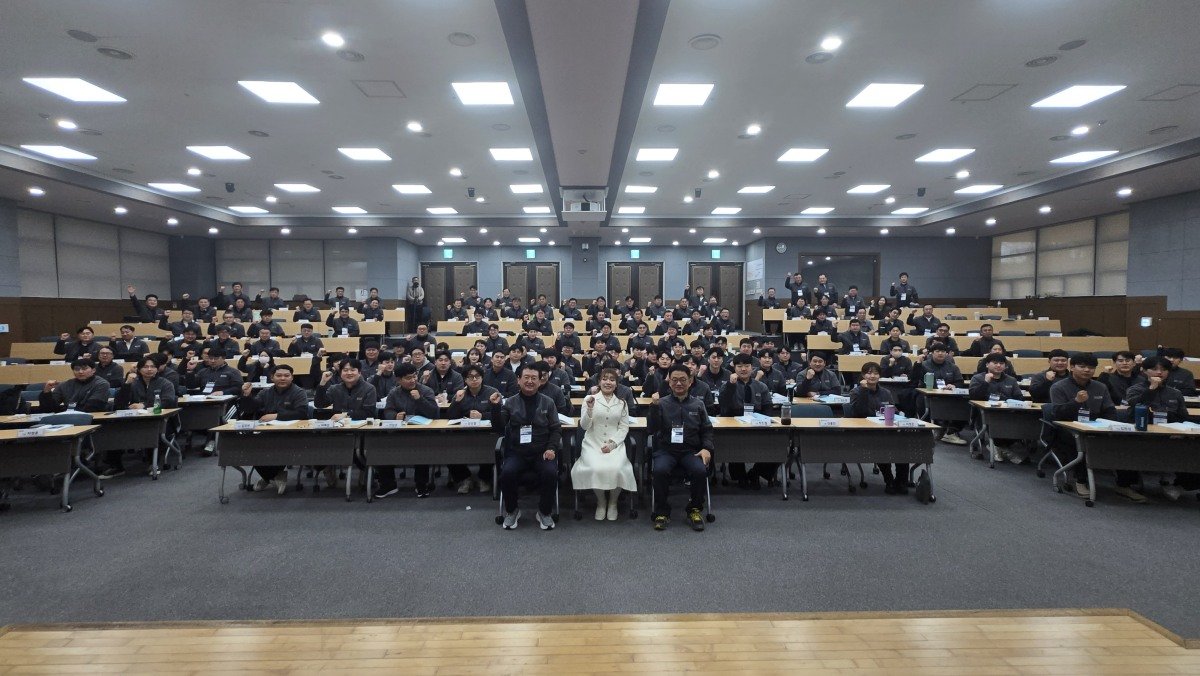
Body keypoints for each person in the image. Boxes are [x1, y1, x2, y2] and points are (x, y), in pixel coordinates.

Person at [492, 364, 562, 530]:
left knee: (550, 472)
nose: (530, 381)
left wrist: (552, 448)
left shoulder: (548, 402)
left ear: (540, 381)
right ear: (518, 380)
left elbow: (556, 429)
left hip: (542, 451)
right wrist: (495, 408)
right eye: (526, 378)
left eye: (534, 378)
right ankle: (512, 511)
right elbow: (499, 428)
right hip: (517, 452)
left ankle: (544, 512)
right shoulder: (510, 402)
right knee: (507, 472)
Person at [649, 364, 713, 531]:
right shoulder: (661, 403)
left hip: (690, 451)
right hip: (666, 450)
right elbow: (652, 429)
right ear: (669, 382)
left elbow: (707, 429)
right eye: (674, 380)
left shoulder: (698, 404)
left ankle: (694, 509)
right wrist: (654, 408)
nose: (678, 383)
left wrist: (706, 448)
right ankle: (662, 510)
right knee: (659, 471)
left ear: (690, 381)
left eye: (683, 380)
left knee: (700, 470)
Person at [1047, 352, 1118, 499]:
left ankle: (1125, 483)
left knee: (1123, 440)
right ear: (1072, 367)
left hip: (1095, 427)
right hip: (1067, 427)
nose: (1087, 370)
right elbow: (1058, 413)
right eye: (1082, 366)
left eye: (1091, 367)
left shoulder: (1100, 387)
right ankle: (1080, 480)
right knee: (1078, 441)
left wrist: (1108, 426)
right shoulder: (1058, 387)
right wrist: (1076, 402)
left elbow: (1109, 410)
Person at [570, 368, 636, 520]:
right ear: (599, 382)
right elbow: (585, 426)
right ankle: (601, 501)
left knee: (618, 467)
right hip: (593, 443)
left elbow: (624, 427)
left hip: (615, 444)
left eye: (612, 379)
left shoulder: (622, 403)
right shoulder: (589, 399)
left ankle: (613, 502)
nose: (608, 382)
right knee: (596, 467)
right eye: (605, 379)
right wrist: (590, 410)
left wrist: (613, 444)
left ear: (616, 384)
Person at [234, 363, 312, 490]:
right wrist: (247, 396)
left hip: (292, 433)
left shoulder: (299, 392)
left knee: (277, 446)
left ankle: (268, 477)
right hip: (267, 431)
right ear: (272, 377)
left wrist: (277, 416)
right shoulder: (266, 392)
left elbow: (302, 413)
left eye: (286, 376)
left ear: (292, 377)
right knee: (251, 446)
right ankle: (273, 476)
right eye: (279, 375)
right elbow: (251, 408)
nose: (282, 378)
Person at [99, 356, 179, 478]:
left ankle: (153, 463)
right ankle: (116, 466)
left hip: (161, 420)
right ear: (139, 369)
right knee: (114, 431)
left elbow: (167, 402)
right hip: (134, 420)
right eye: (145, 367)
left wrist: (144, 405)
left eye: (152, 367)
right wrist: (126, 384)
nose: (149, 369)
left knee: (153, 431)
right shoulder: (133, 383)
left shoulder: (165, 383)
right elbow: (119, 404)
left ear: (157, 369)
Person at [374, 364, 439, 499]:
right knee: (379, 447)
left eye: (414, 376)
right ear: (398, 380)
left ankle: (421, 484)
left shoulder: (426, 390)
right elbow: (388, 411)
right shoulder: (394, 392)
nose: (413, 380)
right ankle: (388, 484)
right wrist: (394, 416)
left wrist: (419, 399)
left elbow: (434, 412)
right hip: (399, 432)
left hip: (421, 432)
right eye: (408, 378)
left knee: (422, 448)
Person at [846, 361, 907, 493]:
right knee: (881, 444)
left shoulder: (886, 392)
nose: (872, 376)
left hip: (886, 429)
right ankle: (889, 479)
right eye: (868, 373)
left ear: (880, 376)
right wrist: (863, 390)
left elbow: (894, 411)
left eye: (875, 373)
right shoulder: (855, 392)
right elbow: (859, 412)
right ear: (863, 375)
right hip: (865, 431)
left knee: (903, 443)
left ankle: (902, 481)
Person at [718, 353, 775, 488]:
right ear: (734, 368)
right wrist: (731, 386)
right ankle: (740, 476)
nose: (743, 369)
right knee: (734, 442)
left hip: (757, 423)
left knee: (778, 444)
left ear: (752, 368)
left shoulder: (761, 386)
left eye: (747, 366)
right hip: (734, 423)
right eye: (739, 366)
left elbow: (768, 407)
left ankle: (755, 472)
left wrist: (767, 423)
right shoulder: (727, 385)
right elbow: (723, 404)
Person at [446, 364, 498, 494]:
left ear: (482, 378)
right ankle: (464, 478)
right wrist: (457, 402)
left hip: (487, 433)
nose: (474, 379)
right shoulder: (460, 393)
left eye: (477, 376)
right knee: (446, 447)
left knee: (491, 446)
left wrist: (483, 416)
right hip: (463, 433)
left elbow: (500, 415)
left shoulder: (492, 392)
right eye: (470, 377)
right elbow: (450, 417)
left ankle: (484, 478)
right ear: (465, 380)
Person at [911, 343, 967, 445]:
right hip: (928, 395)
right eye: (937, 351)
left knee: (966, 404)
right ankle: (929, 429)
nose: (940, 353)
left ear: (946, 354)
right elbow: (914, 380)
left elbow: (960, 382)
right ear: (932, 353)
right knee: (921, 400)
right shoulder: (924, 365)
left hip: (948, 396)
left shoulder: (953, 367)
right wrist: (918, 363)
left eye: (943, 351)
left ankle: (951, 432)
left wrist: (953, 386)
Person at [38, 359, 111, 414]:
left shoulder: (102, 384)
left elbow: (93, 407)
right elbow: (48, 409)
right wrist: (47, 392)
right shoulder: (64, 385)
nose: (80, 372)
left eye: (84, 369)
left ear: (93, 370)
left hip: (91, 418)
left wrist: (64, 410)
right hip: (66, 417)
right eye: (77, 369)